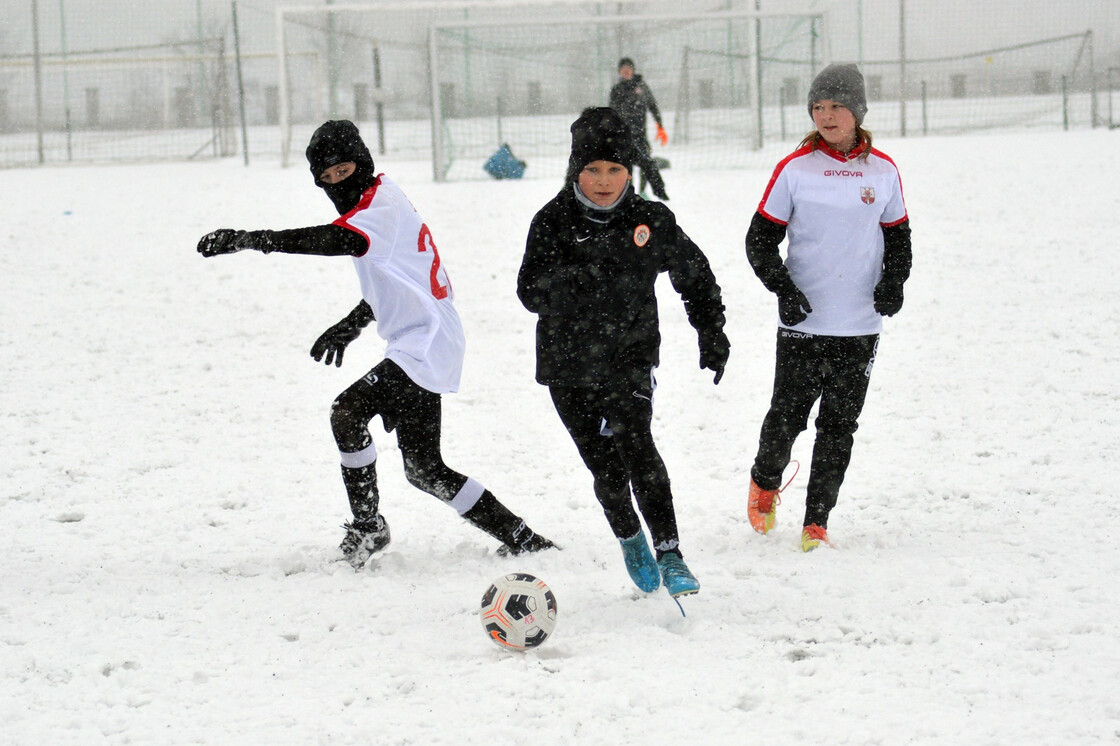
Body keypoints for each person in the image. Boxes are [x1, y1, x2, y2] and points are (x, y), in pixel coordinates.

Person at [196, 119, 555, 568]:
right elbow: (395, 276)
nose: (336, 184)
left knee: (347, 412)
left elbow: (336, 240)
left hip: (425, 341)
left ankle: (369, 528)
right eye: (325, 179)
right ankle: (521, 536)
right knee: (425, 471)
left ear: (362, 164)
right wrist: (354, 322)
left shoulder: (377, 207)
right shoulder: (380, 197)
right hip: (425, 336)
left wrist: (252, 240)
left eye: (343, 171)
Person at [517, 107, 729, 598]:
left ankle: (671, 552)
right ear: (576, 171)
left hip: (629, 358)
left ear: (629, 172)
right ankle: (630, 537)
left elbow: (693, 275)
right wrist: (586, 277)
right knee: (607, 473)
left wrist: (710, 332)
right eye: (593, 170)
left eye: (615, 170)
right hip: (567, 366)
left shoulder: (649, 220)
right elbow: (530, 291)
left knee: (638, 446)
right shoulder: (552, 222)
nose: (605, 181)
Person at [744, 64, 912, 552]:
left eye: (836, 106)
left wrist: (894, 284)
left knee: (839, 425)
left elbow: (898, 237)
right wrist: (784, 289)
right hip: (804, 322)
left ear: (857, 111)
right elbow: (759, 239)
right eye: (818, 106)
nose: (826, 115)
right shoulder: (795, 169)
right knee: (787, 417)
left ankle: (816, 521)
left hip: (859, 324)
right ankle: (764, 480)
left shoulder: (883, 170)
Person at [609, 57, 669, 201]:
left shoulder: (641, 86)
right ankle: (629, 194)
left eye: (628, 68)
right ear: (619, 72)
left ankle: (642, 191)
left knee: (646, 163)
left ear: (633, 70)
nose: (626, 71)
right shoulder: (617, 90)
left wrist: (659, 125)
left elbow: (652, 105)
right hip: (623, 136)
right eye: (623, 69)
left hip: (640, 134)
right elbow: (611, 113)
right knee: (625, 166)